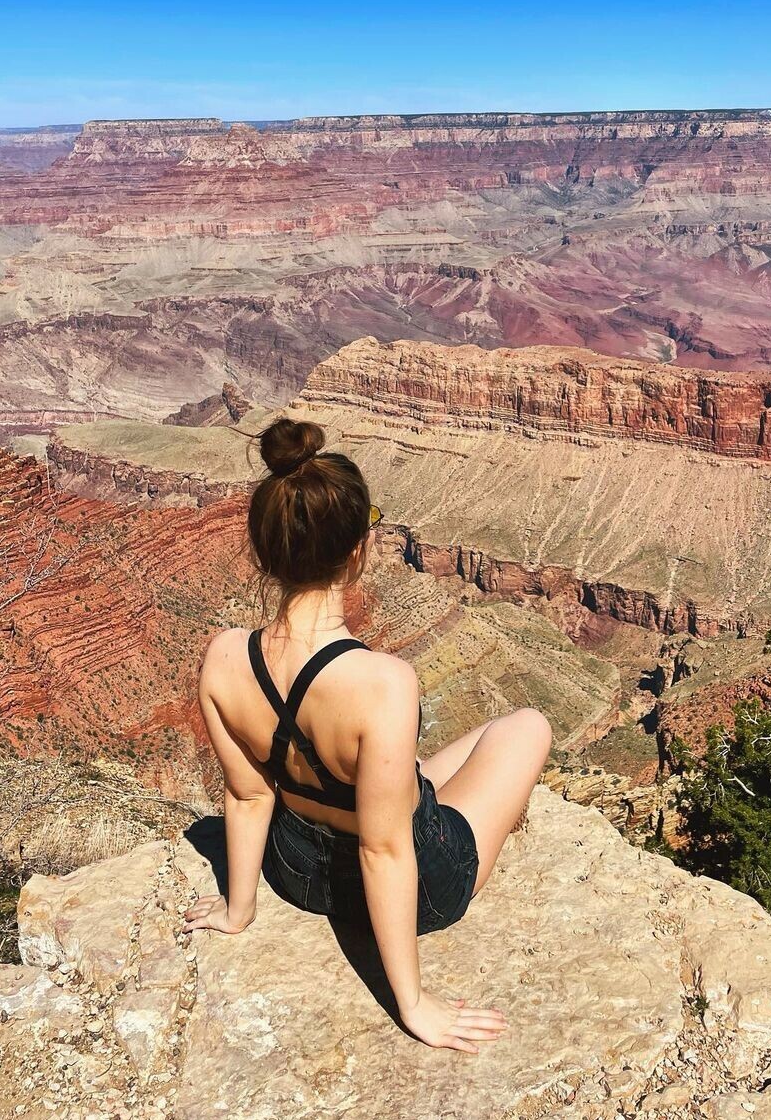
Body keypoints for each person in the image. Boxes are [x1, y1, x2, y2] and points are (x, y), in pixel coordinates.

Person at [183, 417, 552, 1053]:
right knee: (526, 726)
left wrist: (236, 911)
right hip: (416, 885)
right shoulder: (384, 684)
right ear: (358, 550)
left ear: (265, 551)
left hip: (294, 870)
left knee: (437, 762)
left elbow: (247, 796)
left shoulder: (221, 657)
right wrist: (413, 1004)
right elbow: (384, 851)